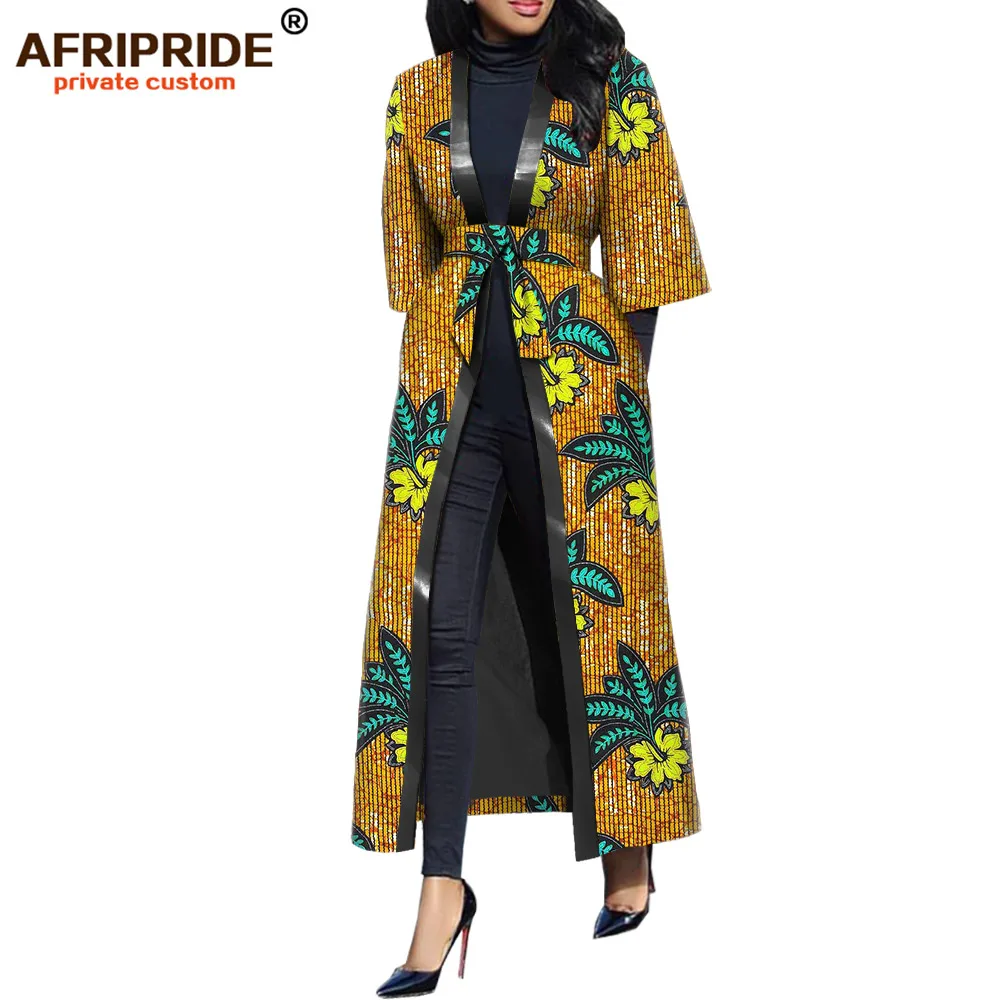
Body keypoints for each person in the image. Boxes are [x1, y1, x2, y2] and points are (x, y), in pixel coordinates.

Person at [352, 2, 711, 994]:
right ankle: (442, 890)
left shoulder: (614, 81)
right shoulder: (415, 96)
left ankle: (629, 845)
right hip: (448, 395)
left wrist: (619, 399)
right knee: (438, 630)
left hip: (581, 390)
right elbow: (409, 269)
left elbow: (644, 251)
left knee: (598, 618)